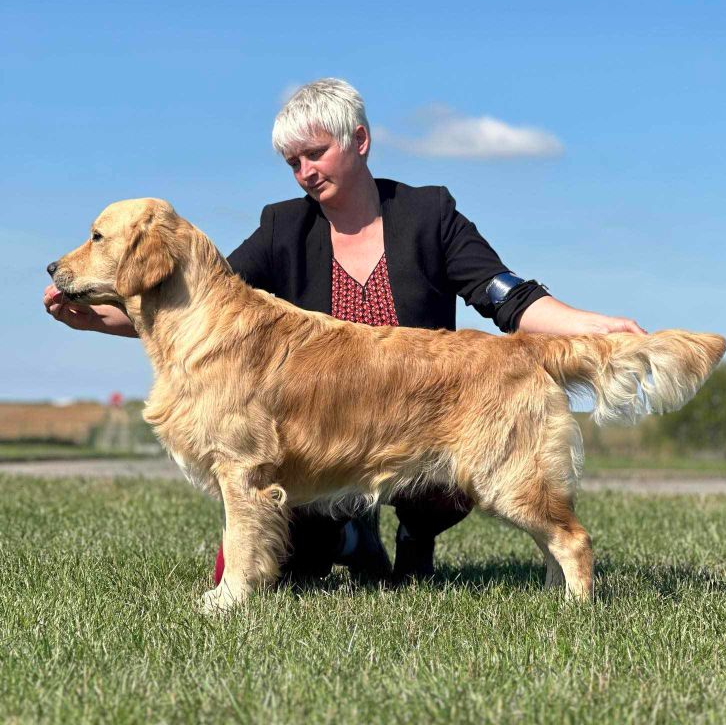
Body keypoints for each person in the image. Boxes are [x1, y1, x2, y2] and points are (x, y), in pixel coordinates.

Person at [44, 78, 645, 584]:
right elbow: (197, 310)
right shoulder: (283, 228)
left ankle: (417, 538)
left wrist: (588, 328)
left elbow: (502, 293)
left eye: (315, 154)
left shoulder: (427, 214)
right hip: (326, 433)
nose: (304, 172)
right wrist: (95, 319)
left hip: (427, 404)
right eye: (292, 162)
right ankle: (353, 538)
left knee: (480, 481)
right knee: (292, 570)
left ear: (359, 141)